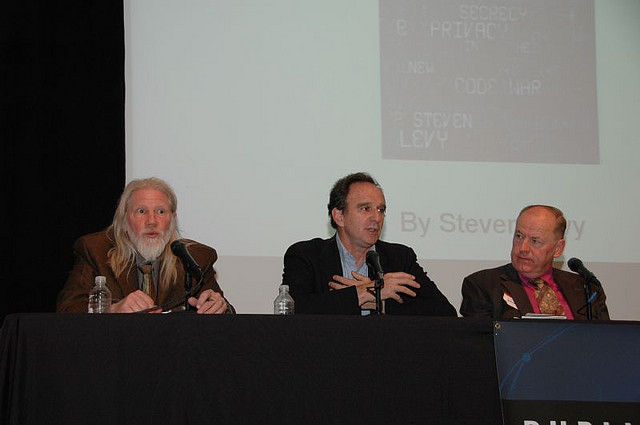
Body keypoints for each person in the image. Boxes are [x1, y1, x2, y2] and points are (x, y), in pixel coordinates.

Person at [282, 172, 456, 316]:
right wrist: (365, 291)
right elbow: (293, 310)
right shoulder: (306, 255)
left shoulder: (400, 258)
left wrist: (379, 303)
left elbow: (445, 313)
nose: (377, 218)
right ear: (339, 216)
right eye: (366, 209)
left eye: (381, 210)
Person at [57, 177, 234, 314]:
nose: (152, 221)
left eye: (160, 211)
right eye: (141, 211)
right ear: (124, 220)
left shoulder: (196, 257)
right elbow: (67, 309)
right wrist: (112, 309)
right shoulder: (95, 250)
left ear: (172, 220)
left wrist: (219, 307)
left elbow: (228, 315)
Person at [460, 205, 609, 320]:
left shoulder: (586, 288)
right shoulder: (483, 285)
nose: (523, 248)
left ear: (558, 248)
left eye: (535, 241)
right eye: (519, 236)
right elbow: (481, 348)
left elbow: (605, 343)